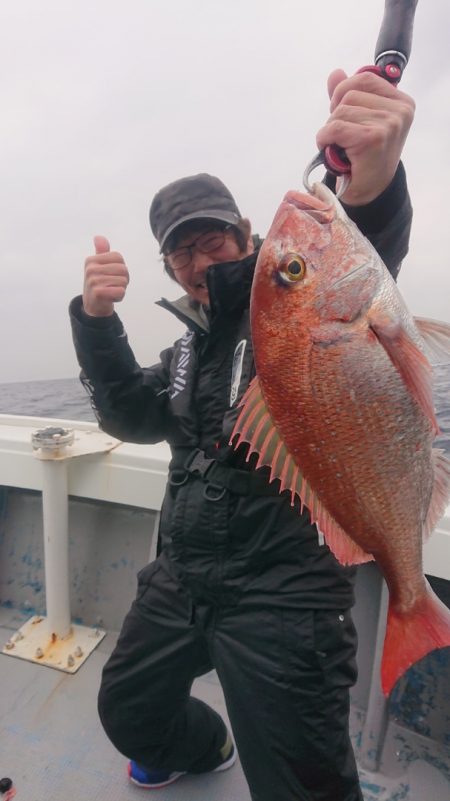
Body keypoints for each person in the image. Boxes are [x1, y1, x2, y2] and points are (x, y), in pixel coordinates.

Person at [69, 69, 415, 801]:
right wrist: (96, 322)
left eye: (214, 239)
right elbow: (126, 413)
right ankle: (207, 741)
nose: (200, 261)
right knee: (126, 709)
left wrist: (375, 182)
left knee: (304, 786)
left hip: (285, 593)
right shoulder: (187, 351)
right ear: (168, 265)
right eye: (181, 251)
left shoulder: (289, 305)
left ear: (247, 237)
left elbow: (350, 275)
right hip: (183, 576)